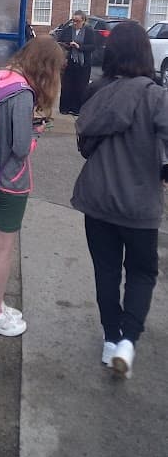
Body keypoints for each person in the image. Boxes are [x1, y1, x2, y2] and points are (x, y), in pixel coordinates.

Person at [71, 21, 168, 377]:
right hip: (140, 206)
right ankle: (128, 340)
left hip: (97, 199)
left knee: (106, 271)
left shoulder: (98, 91)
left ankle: (110, 339)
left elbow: (84, 144)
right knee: (142, 273)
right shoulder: (157, 97)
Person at [0, 35, 65, 337]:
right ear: (46, 67)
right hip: (11, 181)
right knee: (4, 247)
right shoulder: (23, 94)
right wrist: (35, 133)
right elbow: (21, 147)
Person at [57, 10, 95, 115]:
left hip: (83, 63)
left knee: (80, 86)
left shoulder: (89, 31)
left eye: (77, 21)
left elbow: (92, 46)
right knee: (67, 85)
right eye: (73, 20)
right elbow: (60, 41)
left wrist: (80, 47)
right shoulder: (68, 29)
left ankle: (77, 109)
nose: (74, 23)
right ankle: (65, 108)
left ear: (83, 21)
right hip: (69, 61)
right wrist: (68, 45)